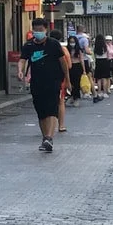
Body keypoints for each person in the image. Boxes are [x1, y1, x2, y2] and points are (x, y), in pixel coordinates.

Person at [18, 17, 70, 153]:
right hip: (36, 82)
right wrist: (20, 71)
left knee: (52, 109)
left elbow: (63, 63)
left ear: (46, 30)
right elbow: (22, 60)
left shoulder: (53, 44)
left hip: (53, 81)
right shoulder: (28, 46)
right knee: (41, 112)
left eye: (40, 30)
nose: (38, 32)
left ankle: (49, 137)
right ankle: (45, 138)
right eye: (35, 30)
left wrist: (67, 80)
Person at [65, 34, 87, 108]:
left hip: (77, 67)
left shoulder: (79, 50)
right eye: (71, 42)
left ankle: (76, 98)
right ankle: (72, 96)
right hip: (69, 67)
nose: (72, 43)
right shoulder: (67, 49)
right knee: (70, 83)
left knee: (77, 83)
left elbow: (81, 60)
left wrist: (84, 70)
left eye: (73, 42)